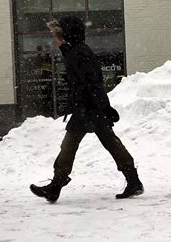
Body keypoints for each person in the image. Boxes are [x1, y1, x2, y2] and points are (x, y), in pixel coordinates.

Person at [30, 16, 144, 203]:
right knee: (100, 143)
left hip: (90, 108)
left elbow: (93, 82)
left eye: (56, 34)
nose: (54, 38)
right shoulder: (75, 51)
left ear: (66, 34)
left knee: (92, 144)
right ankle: (133, 181)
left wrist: (104, 107)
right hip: (87, 107)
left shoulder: (79, 53)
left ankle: (56, 186)